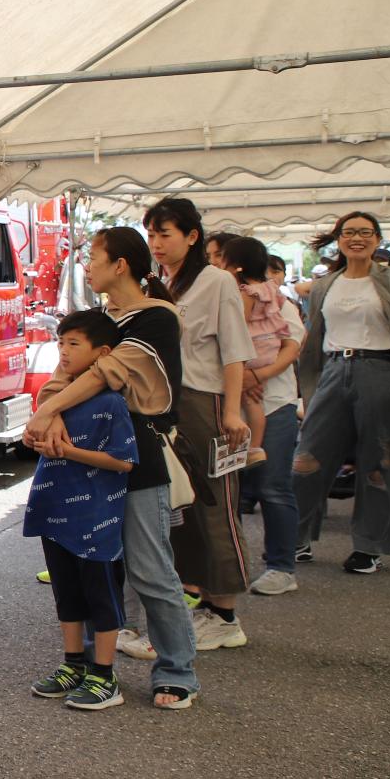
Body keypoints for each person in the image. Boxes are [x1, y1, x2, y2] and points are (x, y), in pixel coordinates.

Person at [25, 228, 199, 710]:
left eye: (93, 257)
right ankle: (84, 666)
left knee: (149, 567)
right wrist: (52, 413)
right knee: (82, 563)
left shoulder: (157, 318)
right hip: (82, 462)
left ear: (119, 265)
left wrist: (46, 413)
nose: (86, 265)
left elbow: (105, 373)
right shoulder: (99, 320)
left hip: (137, 455)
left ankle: (177, 670)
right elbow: (61, 378)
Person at [144, 198, 254, 652]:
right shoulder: (161, 283)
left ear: (192, 236)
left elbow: (234, 351)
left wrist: (231, 412)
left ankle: (226, 614)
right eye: (151, 235)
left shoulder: (217, 282)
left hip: (205, 403)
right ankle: (204, 604)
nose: (157, 244)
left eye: (165, 234)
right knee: (182, 510)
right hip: (167, 405)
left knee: (215, 507)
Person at [24, 310, 139, 711]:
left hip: (97, 517)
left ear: (102, 352)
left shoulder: (110, 402)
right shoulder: (58, 396)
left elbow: (124, 461)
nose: (63, 350)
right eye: (60, 342)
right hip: (54, 510)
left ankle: (104, 675)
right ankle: (73, 664)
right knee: (66, 594)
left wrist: (68, 451)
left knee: (102, 596)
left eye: (74, 344)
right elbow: (30, 436)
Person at [291, 210, 390, 575]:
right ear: (338, 239)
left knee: (380, 461)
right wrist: (309, 389)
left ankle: (368, 546)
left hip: (380, 370)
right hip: (332, 371)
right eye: (348, 232)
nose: (356, 238)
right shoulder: (327, 284)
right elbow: (313, 339)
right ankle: (296, 539)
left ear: (378, 239)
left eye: (365, 232)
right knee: (307, 458)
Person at [228, 237, 306, 595]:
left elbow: (292, 346)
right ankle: (232, 566)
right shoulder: (225, 299)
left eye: (219, 259)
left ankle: (281, 567)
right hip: (231, 405)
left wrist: (254, 376)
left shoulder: (276, 300)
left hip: (275, 402)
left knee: (273, 487)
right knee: (232, 493)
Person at [231, 237, 292, 467]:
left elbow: (240, 326)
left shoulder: (246, 292)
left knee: (250, 399)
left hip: (253, 349)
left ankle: (254, 447)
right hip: (271, 345)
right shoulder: (270, 288)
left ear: (236, 266)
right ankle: (254, 447)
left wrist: (247, 369)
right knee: (253, 400)